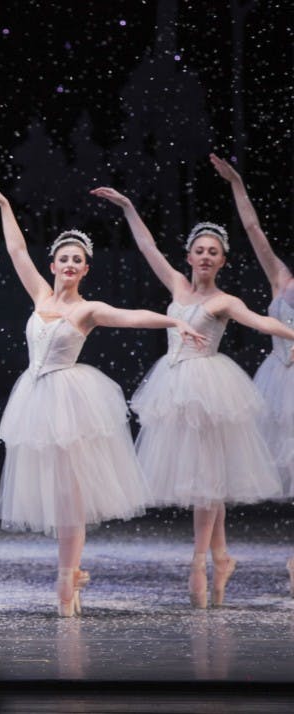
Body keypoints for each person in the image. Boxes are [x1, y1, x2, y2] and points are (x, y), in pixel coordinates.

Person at [0, 179, 206, 617]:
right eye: (63, 258)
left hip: (70, 399)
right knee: (52, 490)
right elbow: (17, 252)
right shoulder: (39, 294)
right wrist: (5, 204)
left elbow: (132, 317)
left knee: (71, 493)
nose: (68, 265)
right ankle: (71, 573)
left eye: (76, 261)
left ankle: (67, 575)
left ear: (85, 270)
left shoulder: (88, 309)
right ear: (54, 264)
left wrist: (174, 324)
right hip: (34, 399)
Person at [92, 185, 294, 608]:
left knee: (207, 482)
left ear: (222, 261)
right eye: (199, 250)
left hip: (209, 390)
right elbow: (148, 248)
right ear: (189, 257)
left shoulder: (225, 300)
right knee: (208, 481)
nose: (205, 256)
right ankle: (220, 557)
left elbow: (261, 323)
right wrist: (129, 206)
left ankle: (200, 561)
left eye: (213, 252)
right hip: (174, 387)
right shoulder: (178, 287)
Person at [209, 152, 294, 596]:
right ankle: (219, 554)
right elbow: (254, 230)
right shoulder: (281, 278)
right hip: (276, 381)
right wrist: (237, 184)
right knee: (231, 461)